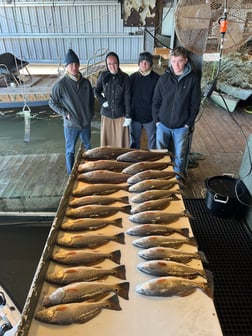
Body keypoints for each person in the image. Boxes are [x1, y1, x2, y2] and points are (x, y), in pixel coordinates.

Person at [152, 46, 201, 178]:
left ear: (185, 60)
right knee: (161, 153)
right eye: (173, 61)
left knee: (180, 155)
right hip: (162, 125)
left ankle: (177, 179)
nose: (176, 64)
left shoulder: (192, 80)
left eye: (179, 61)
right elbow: (155, 102)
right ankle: (162, 176)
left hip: (181, 127)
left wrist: (188, 124)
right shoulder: (163, 79)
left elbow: (195, 104)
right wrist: (157, 122)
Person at [49, 49, 94, 174]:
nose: (74, 67)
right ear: (66, 67)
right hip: (71, 125)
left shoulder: (86, 83)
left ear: (79, 65)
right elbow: (52, 102)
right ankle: (71, 174)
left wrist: (90, 114)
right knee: (70, 150)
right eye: (71, 65)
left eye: (76, 64)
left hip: (85, 123)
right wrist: (65, 113)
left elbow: (91, 100)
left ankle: (89, 171)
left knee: (88, 148)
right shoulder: (61, 85)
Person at [94, 51, 131, 147]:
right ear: (106, 64)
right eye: (109, 64)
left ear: (118, 63)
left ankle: (121, 161)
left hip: (120, 115)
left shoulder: (125, 78)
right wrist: (102, 101)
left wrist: (128, 115)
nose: (112, 66)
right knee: (107, 143)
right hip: (107, 115)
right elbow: (96, 91)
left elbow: (127, 98)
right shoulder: (103, 76)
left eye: (114, 63)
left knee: (121, 143)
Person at [129, 51, 159, 149]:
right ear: (138, 64)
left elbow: (159, 99)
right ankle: (135, 161)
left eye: (146, 62)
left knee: (152, 140)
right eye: (141, 62)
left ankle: (151, 162)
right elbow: (127, 96)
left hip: (150, 118)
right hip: (135, 117)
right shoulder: (132, 78)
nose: (144, 64)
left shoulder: (157, 79)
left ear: (151, 64)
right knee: (134, 141)